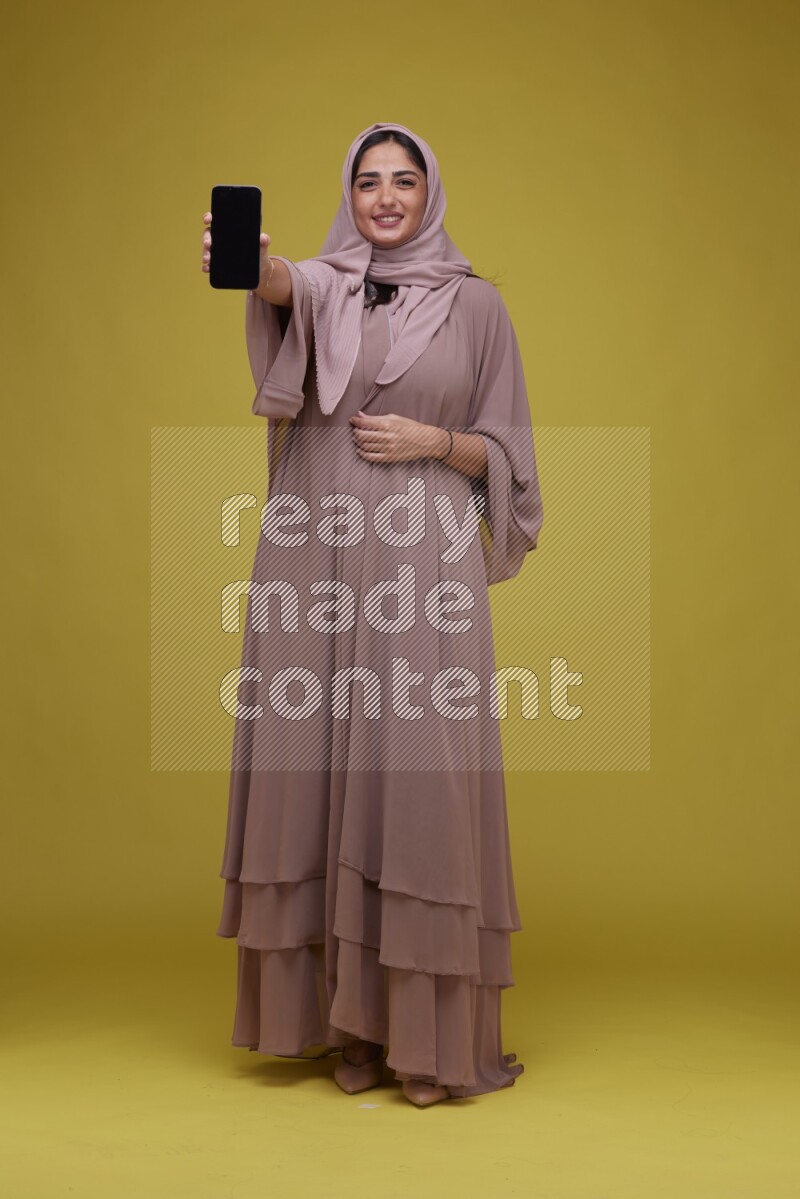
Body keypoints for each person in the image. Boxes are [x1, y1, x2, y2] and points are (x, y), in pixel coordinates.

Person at [202, 121, 544, 1107]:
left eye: (402, 181)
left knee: (414, 777)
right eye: (366, 182)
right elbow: (284, 292)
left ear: (429, 193)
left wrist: (435, 437)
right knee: (311, 767)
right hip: (312, 555)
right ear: (347, 197)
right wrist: (259, 270)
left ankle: (424, 1037)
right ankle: (345, 1031)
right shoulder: (321, 286)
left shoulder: (478, 308)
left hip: (421, 567)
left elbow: (511, 457)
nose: (384, 197)